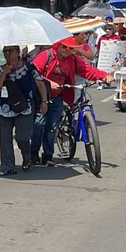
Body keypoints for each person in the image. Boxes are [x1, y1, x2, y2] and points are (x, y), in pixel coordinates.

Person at [31, 36, 109, 166]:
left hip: (58, 96)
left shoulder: (72, 60)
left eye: (70, 48)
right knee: (39, 125)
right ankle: (33, 153)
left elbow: (87, 70)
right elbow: (33, 73)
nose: (67, 50)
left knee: (51, 127)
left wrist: (104, 75)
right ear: (58, 45)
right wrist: (49, 82)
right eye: (64, 47)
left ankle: (48, 156)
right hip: (41, 96)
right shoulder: (46, 55)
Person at [0, 46, 48, 176]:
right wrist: (4, 73)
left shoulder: (28, 67)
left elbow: (40, 83)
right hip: (4, 108)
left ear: (18, 52)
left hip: (25, 108)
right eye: (5, 51)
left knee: (22, 137)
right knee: (5, 139)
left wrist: (44, 101)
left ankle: (27, 156)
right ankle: (8, 167)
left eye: (10, 51)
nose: (7, 54)